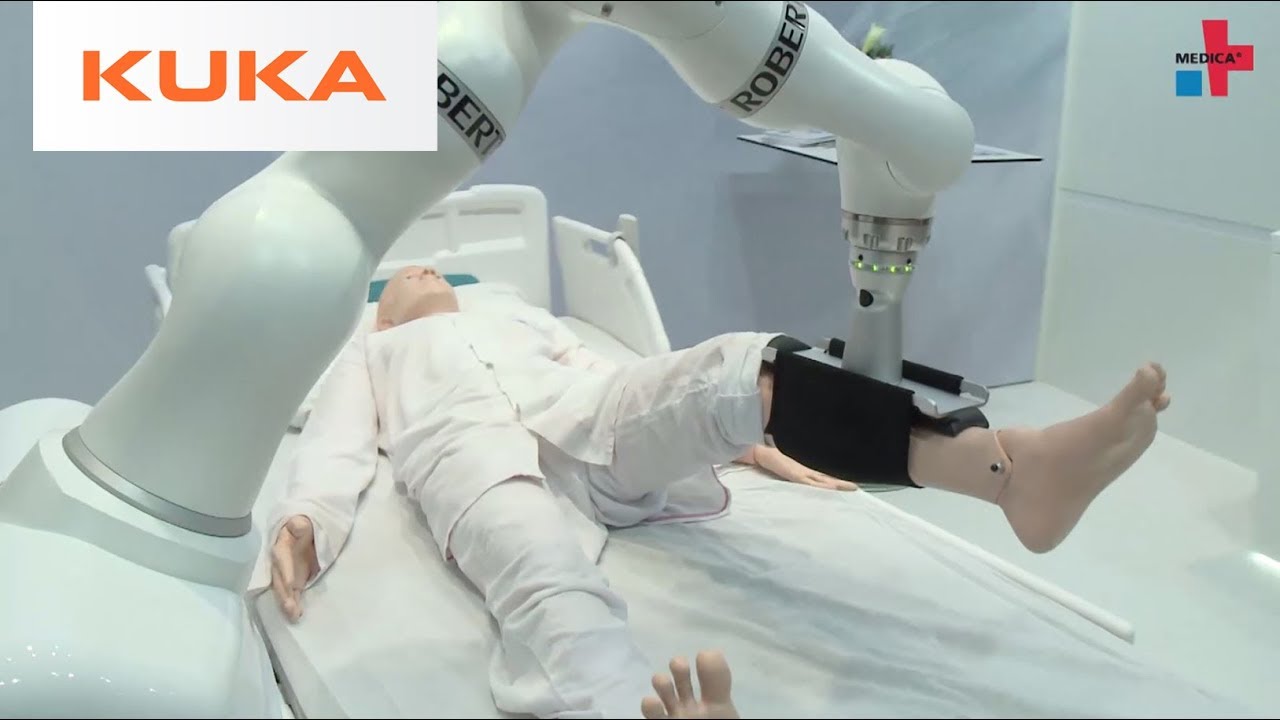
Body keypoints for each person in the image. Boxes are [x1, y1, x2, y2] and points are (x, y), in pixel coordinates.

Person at [267, 266, 1171, 720]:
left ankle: (1006, 469)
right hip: (469, 456)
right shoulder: (371, 351)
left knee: (736, 368)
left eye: (434, 270)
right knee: (547, 582)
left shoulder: (520, 316)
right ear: (381, 311)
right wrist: (309, 519)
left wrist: (745, 440)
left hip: (582, 420)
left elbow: (621, 380)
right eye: (404, 278)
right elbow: (336, 444)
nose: (422, 273)